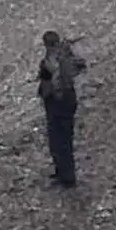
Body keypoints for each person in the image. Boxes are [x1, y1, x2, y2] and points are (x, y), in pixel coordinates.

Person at [36, 30, 88, 187]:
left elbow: (50, 82)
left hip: (58, 102)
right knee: (62, 139)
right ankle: (63, 172)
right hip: (67, 99)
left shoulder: (52, 61)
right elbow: (80, 66)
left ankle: (67, 177)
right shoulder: (66, 56)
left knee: (59, 140)